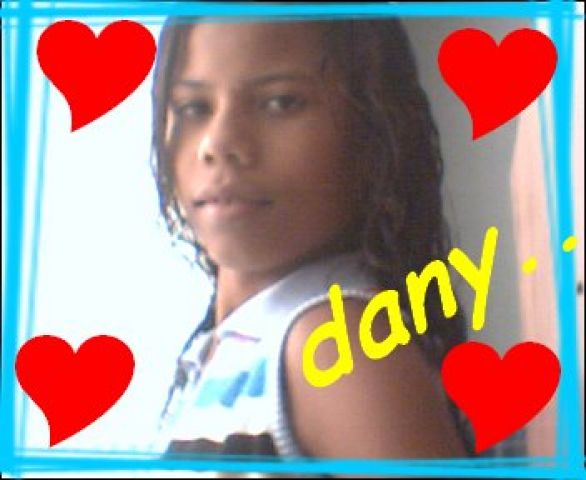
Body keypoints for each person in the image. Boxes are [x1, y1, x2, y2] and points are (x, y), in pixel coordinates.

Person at [150, 16, 473, 462]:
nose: (219, 142)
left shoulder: (334, 346)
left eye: (280, 102)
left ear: (373, 134)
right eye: (193, 107)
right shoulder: (229, 351)